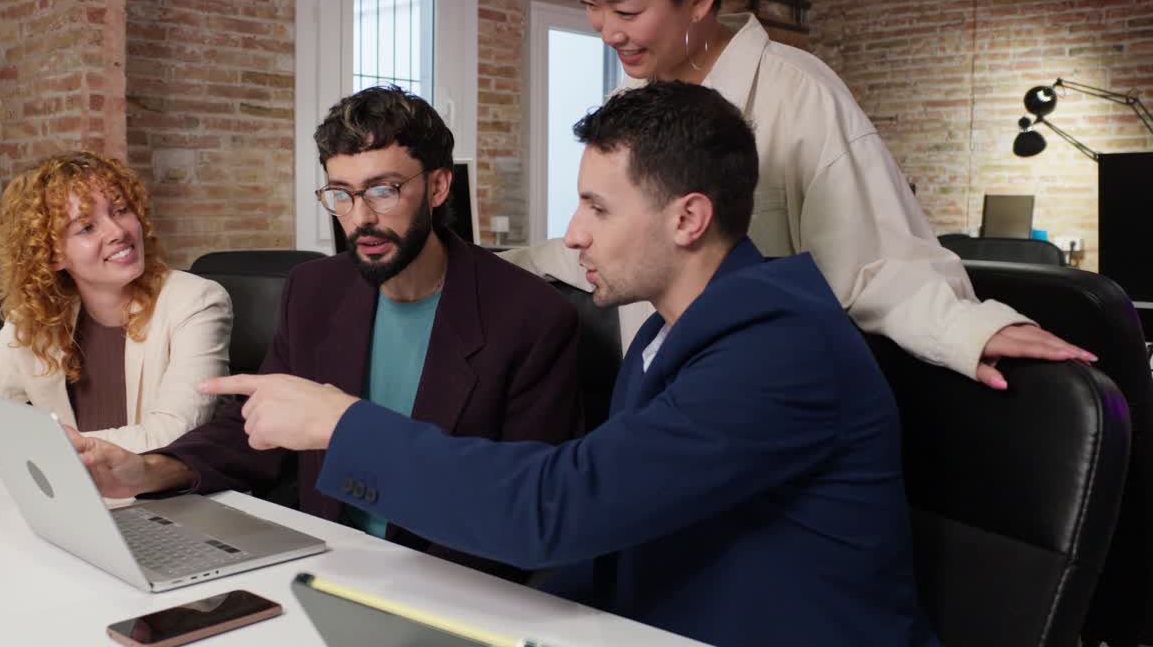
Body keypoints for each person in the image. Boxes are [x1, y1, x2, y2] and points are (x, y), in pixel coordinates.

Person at [74, 82, 938, 646]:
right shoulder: (678, 330)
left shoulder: (773, 345)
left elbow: (559, 506)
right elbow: (605, 529)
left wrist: (341, 422)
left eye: (597, 207)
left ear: (687, 218)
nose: (572, 234)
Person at [500, 0, 1093, 389]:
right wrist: (483, 264)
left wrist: (971, 328)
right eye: (592, 6)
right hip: (666, 388)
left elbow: (876, 260)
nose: (606, 30)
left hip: (757, 400)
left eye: (626, 12)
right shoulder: (631, 99)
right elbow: (613, 242)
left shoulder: (799, 94)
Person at [69, 86, 582, 582]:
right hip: (323, 562)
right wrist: (153, 469)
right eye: (341, 194)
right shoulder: (314, 290)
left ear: (439, 187)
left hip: (453, 578)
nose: (360, 219)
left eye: (384, 190)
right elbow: (256, 432)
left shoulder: (531, 316)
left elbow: (525, 500)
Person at [0, 151, 232, 478]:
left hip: (169, 502)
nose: (117, 231)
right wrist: (19, 452)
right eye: (87, 227)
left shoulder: (195, 301)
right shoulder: (37, 318)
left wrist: (11, 456)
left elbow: (170, 437)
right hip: (77, 493)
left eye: (121, 210)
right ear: (52, 255)